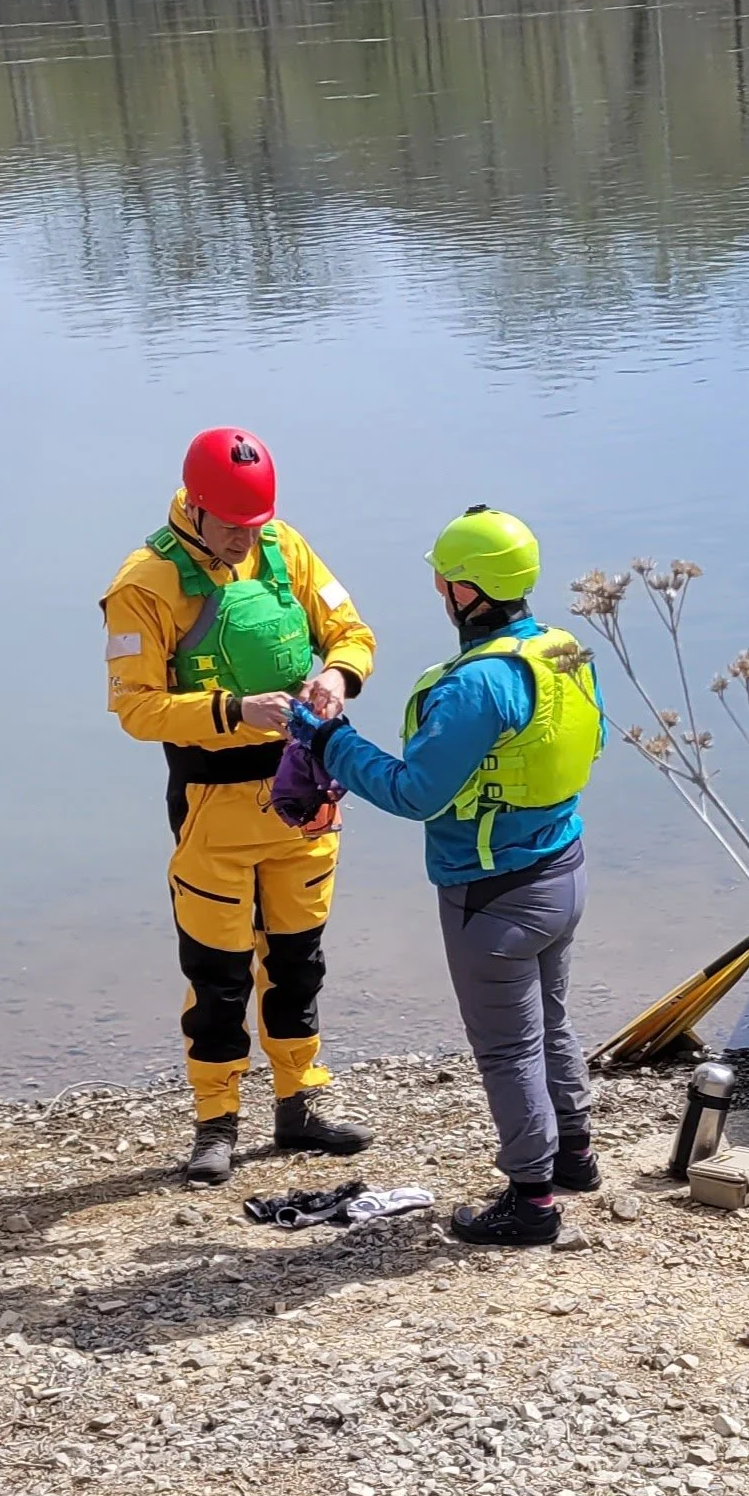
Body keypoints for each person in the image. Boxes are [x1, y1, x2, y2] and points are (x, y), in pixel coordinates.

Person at [298, 506, 604, 1247]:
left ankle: (531, 1204)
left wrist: (330, 741)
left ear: (466, 591)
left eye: (443, 577)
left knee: (507, 1048)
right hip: (562, 870)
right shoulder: (562, 651)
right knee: (551, 1022)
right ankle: (575, 1157)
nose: (438, 588)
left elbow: (414, 792)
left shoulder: (475, 687)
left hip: (491, 894)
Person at [103, 428, 379, 1185]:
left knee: (299, 964)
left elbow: (352, 632)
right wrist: (230, 711)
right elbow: (134, 708)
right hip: (212, 808)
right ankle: (216, 1121)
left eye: (254, 525)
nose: (242, 539)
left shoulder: (283, 546)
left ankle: (300, 1105)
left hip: (305, 801)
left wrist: (338, 677)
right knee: (219, 974)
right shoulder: (146, 583)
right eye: (230, 525)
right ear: (194, 506)